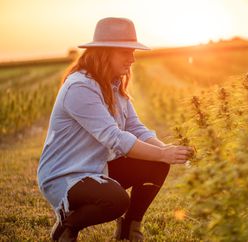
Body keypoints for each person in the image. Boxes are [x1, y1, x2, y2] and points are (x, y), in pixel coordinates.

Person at [37, 17, 194, 242]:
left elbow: (135, 128)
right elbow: (114, 138)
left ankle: (129, 231)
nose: (132, 59)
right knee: (116, 201)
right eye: (126, 52)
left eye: (133, 52)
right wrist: (162, 153)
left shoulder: (114, 84)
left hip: (96, 167)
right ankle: (67, 225)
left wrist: (166, 151)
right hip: (66, 175)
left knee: (158, 163)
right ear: (105, 52)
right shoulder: (80, 87)